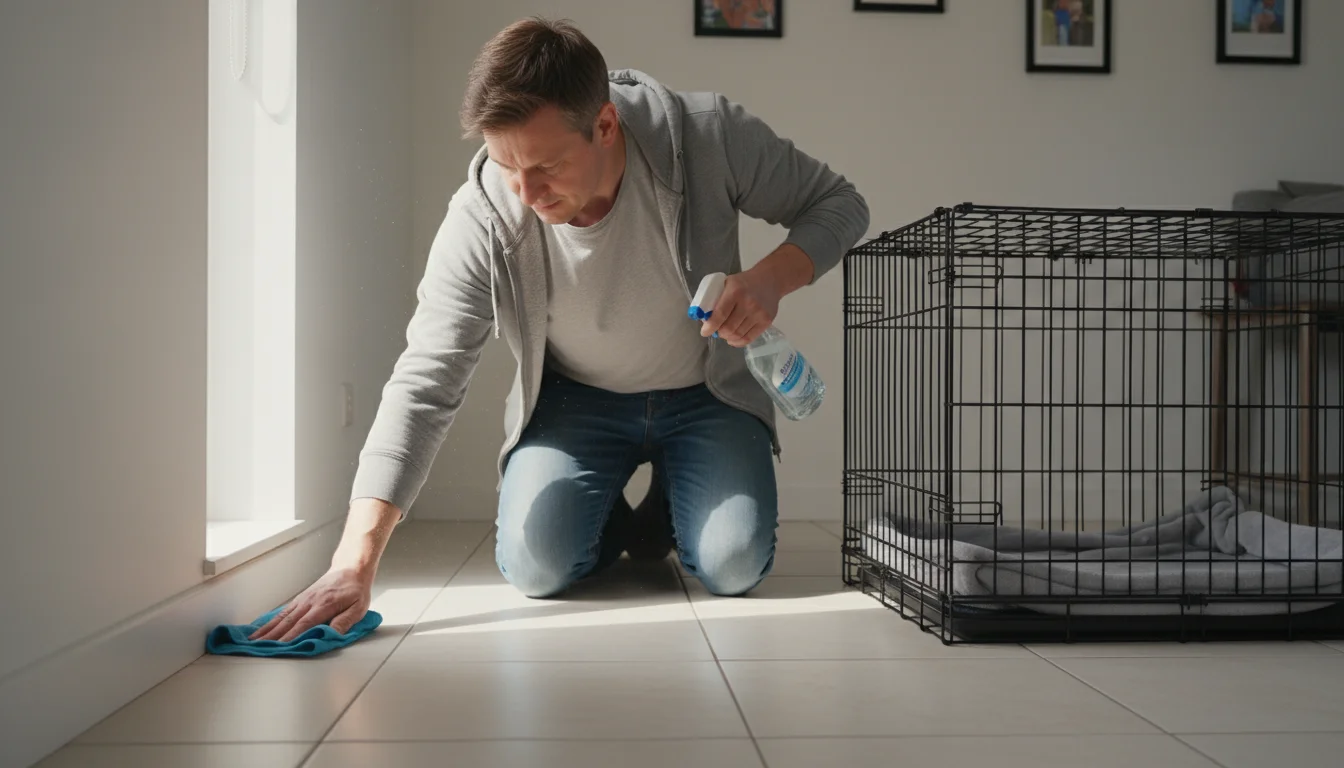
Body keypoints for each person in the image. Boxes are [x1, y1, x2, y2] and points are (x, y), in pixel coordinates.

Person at [250, 17, 868, 642]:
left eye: (545, 166)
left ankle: (671, 505)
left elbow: (840, 204)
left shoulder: (707, 135)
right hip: (575, 403)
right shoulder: (486, 211)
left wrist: (768, 280)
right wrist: (354, 561)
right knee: (537, 566)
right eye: (505, 164)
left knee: (734, 566)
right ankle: (644, 525)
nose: (525, 192)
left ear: (604, 125)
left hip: (708, 394)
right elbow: (424, 383)